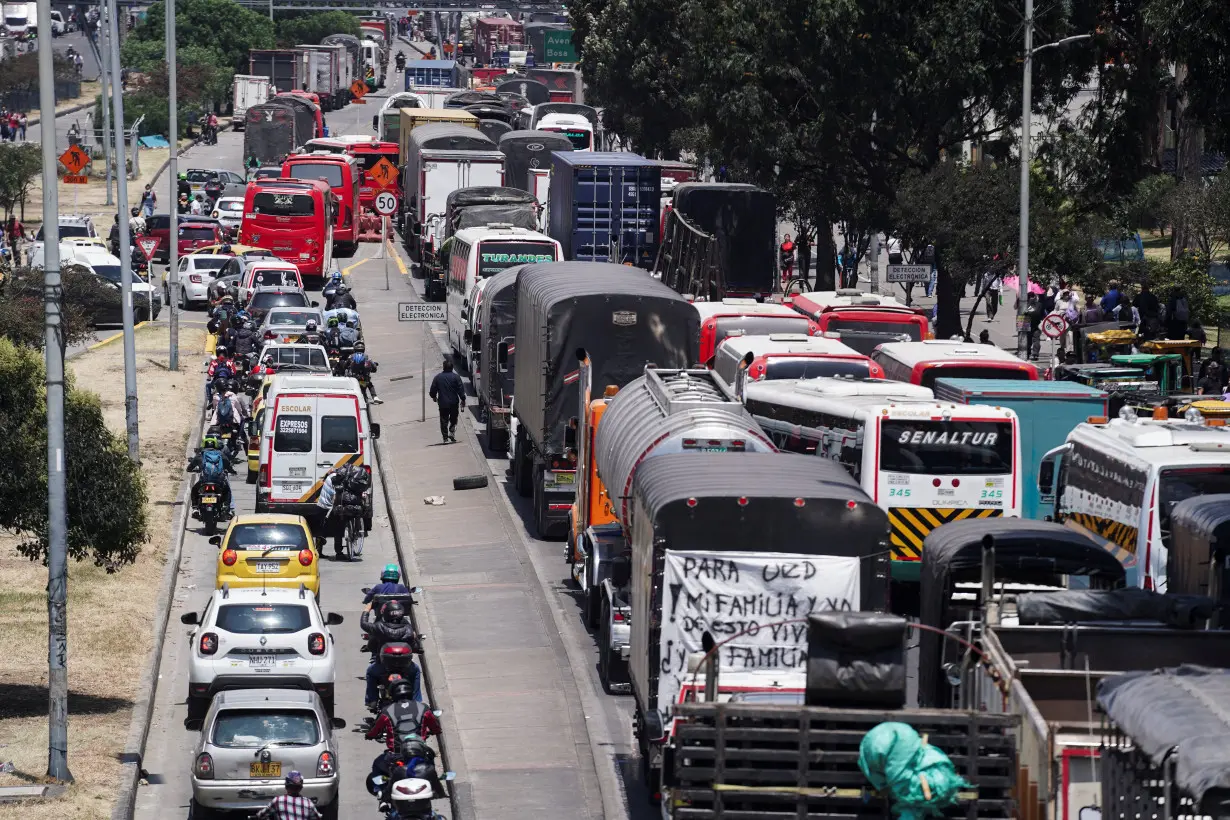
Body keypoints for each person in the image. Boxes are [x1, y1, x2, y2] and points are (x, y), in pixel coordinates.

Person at [361, 600, 422, 709]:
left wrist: (367, 610)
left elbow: (364, 624)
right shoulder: (408, 629)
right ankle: (417, 701)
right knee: (416, 671)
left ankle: (372, 700)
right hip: (406, 668)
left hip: (382, 667)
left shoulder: (379, 627)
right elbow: (416, 647)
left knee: (370, 672)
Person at [365, 677, 442, 752]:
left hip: (396, 751)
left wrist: (369, 735)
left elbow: (376, 729)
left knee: (378, 763)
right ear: (411, 692)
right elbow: (435, 727)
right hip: (419, 750)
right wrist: (436, 731)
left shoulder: (387, 711)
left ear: (393, 694)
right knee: (430, 758)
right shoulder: (423, 708)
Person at [187, 434, 237, 515]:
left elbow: (189, 468)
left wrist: (193, 469)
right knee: (227, 490)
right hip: (218, 481)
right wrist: (232, 471)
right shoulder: (221, 454)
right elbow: (228, 465)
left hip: (204, 481)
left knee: (194, 490)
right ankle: (225, 506)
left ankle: (195, 508)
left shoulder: (200, 455)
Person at [254, 771, 320, 820]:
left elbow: (261, 815)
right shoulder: (308, 803)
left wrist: (256, 816)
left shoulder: (278, 801)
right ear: (300, 788)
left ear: (286, 786)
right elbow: (317, 817)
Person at [429, 359, 465, 443]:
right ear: (452, 368)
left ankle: (445, 438)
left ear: (443, 367)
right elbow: (461, 389)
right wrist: (463, 399)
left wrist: (434, 396)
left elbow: (432, 390)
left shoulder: (437, 377)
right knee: (453, 418)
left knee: (444, 420)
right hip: (454, 402)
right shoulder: (456, 377)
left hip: (443, 403)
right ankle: (452, 432)